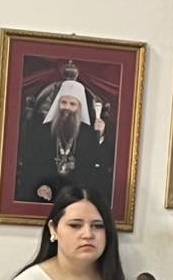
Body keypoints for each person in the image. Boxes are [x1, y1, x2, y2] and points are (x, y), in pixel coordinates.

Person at [14, 65, 113, 207]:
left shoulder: (88, 132)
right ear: (57, 104)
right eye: (64, 102)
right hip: (47, 191)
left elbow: (99, 163)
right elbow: (31, 162)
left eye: (72, 104)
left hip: (78, 194)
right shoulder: (42, 130)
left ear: (79, 107)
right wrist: (40, 185)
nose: (67, 108)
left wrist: (101, 135)